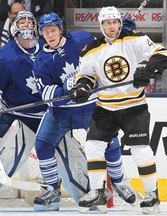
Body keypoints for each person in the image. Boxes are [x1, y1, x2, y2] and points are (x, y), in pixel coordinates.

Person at [0, 10, 93, 212]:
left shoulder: (48, 47)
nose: (27, 25)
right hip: (17, 117)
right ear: (14, 28)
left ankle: (83, 196)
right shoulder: (5, 56)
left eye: (31, 22)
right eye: (22, 22)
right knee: (9, 156)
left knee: (69, 154)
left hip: (51, 114)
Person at [70, 6, 167, 214]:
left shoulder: (134, 39)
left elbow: (163, 55)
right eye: (107, 23)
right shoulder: (91, 49)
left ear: (119, 22)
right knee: (93, 146)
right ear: (101, 26)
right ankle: (98, 192)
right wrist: (82, 87)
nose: (112, 26)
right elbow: (86, 76)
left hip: (134, 106)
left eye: (115, 22)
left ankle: (152, 196)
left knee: (140, 150)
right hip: (106, 106)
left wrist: (148, 68)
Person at [32, 12, 136, 212]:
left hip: (90, 107)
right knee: (43, 145)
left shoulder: (80, 39)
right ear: (42, 34)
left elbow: (104, 48)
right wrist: (68, 91)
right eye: (46, 32)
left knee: (111, 140)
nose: (50, 35)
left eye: (53, 30)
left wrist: (123, 33)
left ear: (60, 29)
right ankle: (52, 189)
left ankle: (118, 181)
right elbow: (47, 94)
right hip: (61, 113)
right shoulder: (41, 61)